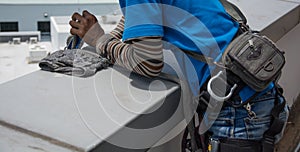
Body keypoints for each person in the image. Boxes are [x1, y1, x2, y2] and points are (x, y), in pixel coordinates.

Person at [69, 0, 289, 151]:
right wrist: (110, 38)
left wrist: (99, 40)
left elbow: (147, 63)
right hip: (251, 91)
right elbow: (145, 15)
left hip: (235, 108)